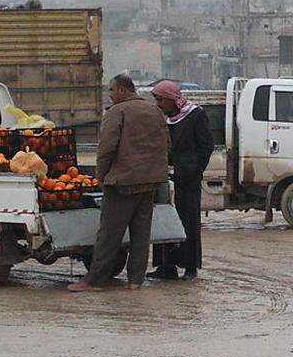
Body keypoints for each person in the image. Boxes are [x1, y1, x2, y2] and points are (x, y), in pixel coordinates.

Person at [68, 74, 168, 293]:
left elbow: (106, 149)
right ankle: (135, 281)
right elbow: (165, 144)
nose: (110, 95)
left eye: (112, 90)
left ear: (123, 90)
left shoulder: (117, 112)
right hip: (150, 181)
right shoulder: (155, 111)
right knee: (141, 235)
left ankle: (94, 281)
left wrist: (100, 176)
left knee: (109, 234)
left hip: (122, 182)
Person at [148, 80, 214, 281]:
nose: (158, 104)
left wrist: (192, 170)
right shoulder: (164, 118)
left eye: (161, 100)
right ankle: (165, 266)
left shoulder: (195, 115)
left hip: (188, 180)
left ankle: (190, 266)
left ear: (171, 99)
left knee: (188, 221)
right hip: (165, 176)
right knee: (163, 220)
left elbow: (205, 147)